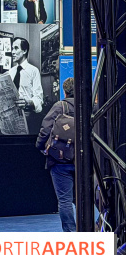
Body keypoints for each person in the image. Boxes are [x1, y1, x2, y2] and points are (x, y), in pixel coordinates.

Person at [35, 78, 76, 232]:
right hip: (84, 161)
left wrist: (40, 146)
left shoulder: (60, 106)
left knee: (65, 200)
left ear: (65, 92)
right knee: (85, 198)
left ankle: (71, 234)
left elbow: (45, 129)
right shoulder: (89, 107)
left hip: (60, 160)